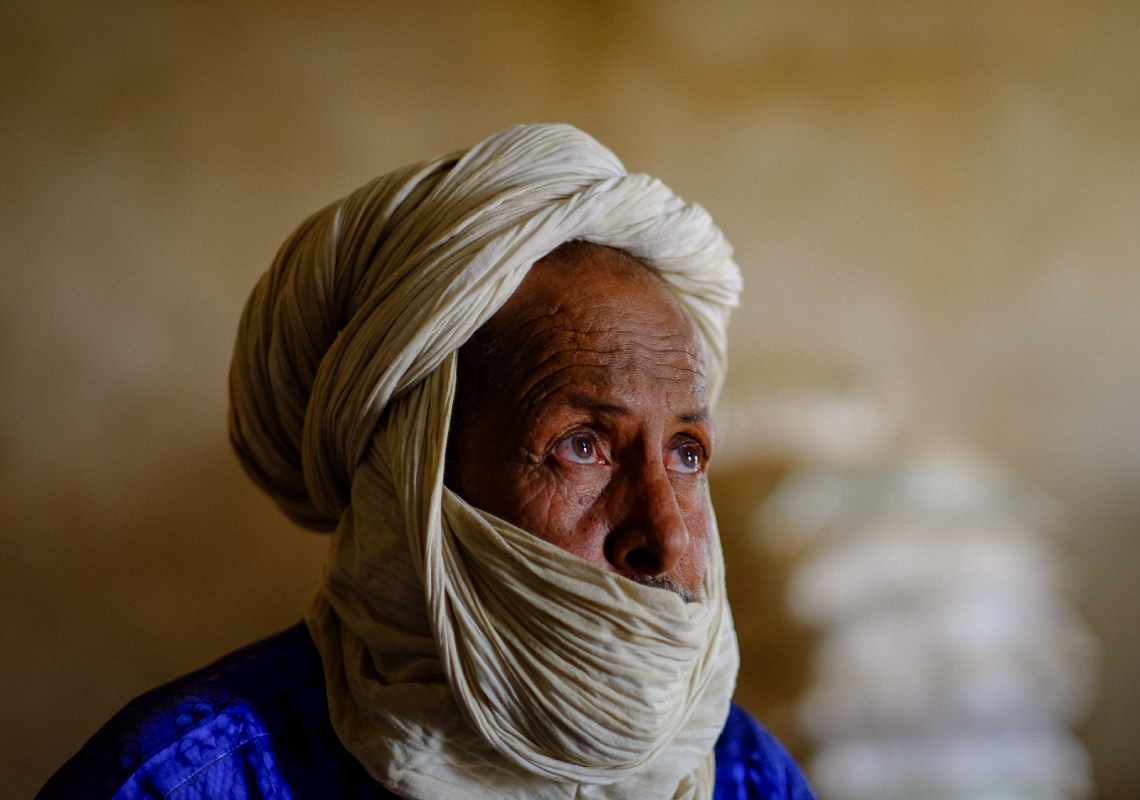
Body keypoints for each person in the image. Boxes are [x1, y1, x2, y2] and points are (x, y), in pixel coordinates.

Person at [38, 124, 817, 799]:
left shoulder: (747, 778)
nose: (670, 540)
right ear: (412, 480)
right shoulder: (181, 785)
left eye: (687, 454)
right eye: (583, 445)